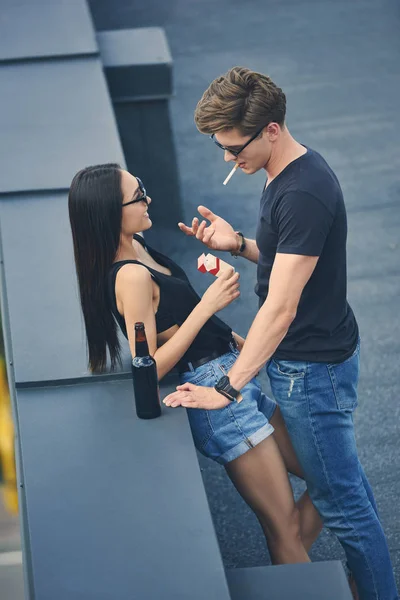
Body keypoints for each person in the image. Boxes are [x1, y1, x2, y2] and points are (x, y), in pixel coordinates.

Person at [164, 67, 398, 600]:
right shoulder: (286, 173)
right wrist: (239, 243)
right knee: (347, 493)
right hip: (318, 357)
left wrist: (226, 389)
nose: (227, 159)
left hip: (311, 371)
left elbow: (281, 307)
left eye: (233, 146)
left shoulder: (302, 192)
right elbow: (290, 261)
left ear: (270, 128)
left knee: (345, 508)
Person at [68, 163, 323, 566]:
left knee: (329, 480)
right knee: (284, 528)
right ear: (110, 212)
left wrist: (234, 337)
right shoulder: (129, 277)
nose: (148, 199)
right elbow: (149, 368)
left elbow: (174, 316)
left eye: (144, 187)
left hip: (230, 374)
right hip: (216, 397)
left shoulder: (139, 246)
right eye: (138, 196)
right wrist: (208, 306)